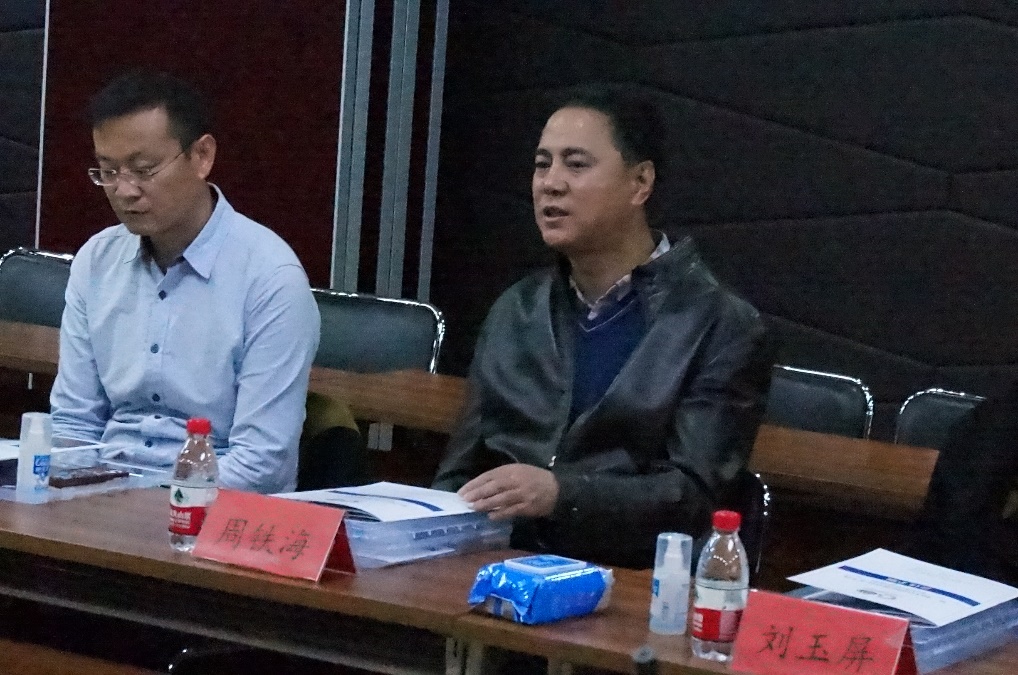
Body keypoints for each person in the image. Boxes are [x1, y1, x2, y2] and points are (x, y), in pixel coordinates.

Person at [433, 84, 773, 568]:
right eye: (542, 164)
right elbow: (458, 472)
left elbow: (694, 497)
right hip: (499, 565)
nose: (550, 184)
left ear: (640, 183)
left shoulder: (720, 324)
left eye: (576, 165)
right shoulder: (517, 308)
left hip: (631, 577)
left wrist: (561, 494)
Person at [50, 70, 320, 494]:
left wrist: (149, 505)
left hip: (211, 508)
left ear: (202, 156)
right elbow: (73, 424)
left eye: (144, 170)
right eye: (108, 171)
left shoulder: (270, 279)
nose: (124, 191)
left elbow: (261, 463)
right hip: (102, 494)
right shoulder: (96, 261)